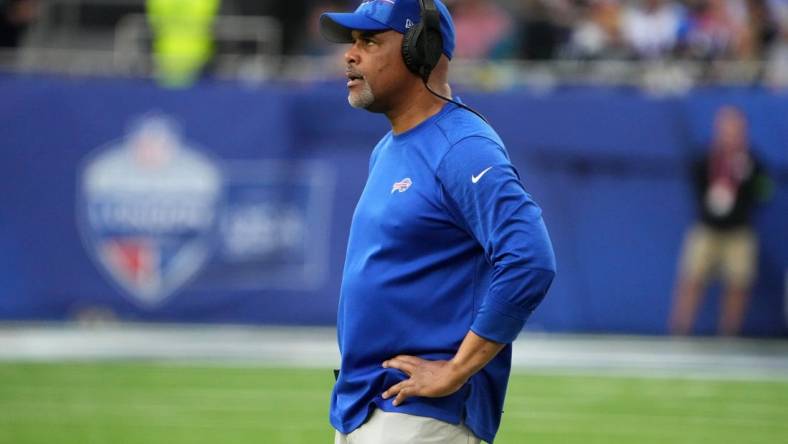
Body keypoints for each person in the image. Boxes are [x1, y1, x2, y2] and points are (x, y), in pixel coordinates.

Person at [318, 1, 557, 442]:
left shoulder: (463, 147)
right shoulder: (390, 147)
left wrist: (454, 371)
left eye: (369, 41)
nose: (350, 56)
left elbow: (530, 260)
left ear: (420, 50)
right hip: (370, 404)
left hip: (423, 417)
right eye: (352, 43)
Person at [669, 106, 770, 336]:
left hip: (739, 230)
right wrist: (711, 201)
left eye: (735, 129)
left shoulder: (753, 160)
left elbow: (766, 192)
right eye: (727, 128)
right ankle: (679, 332)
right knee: (691, 278)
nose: (731, 133)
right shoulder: (705, 158)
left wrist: (749, 180)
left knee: (738, 283)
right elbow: (696, 184)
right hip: (707, 228)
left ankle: (728, 334)